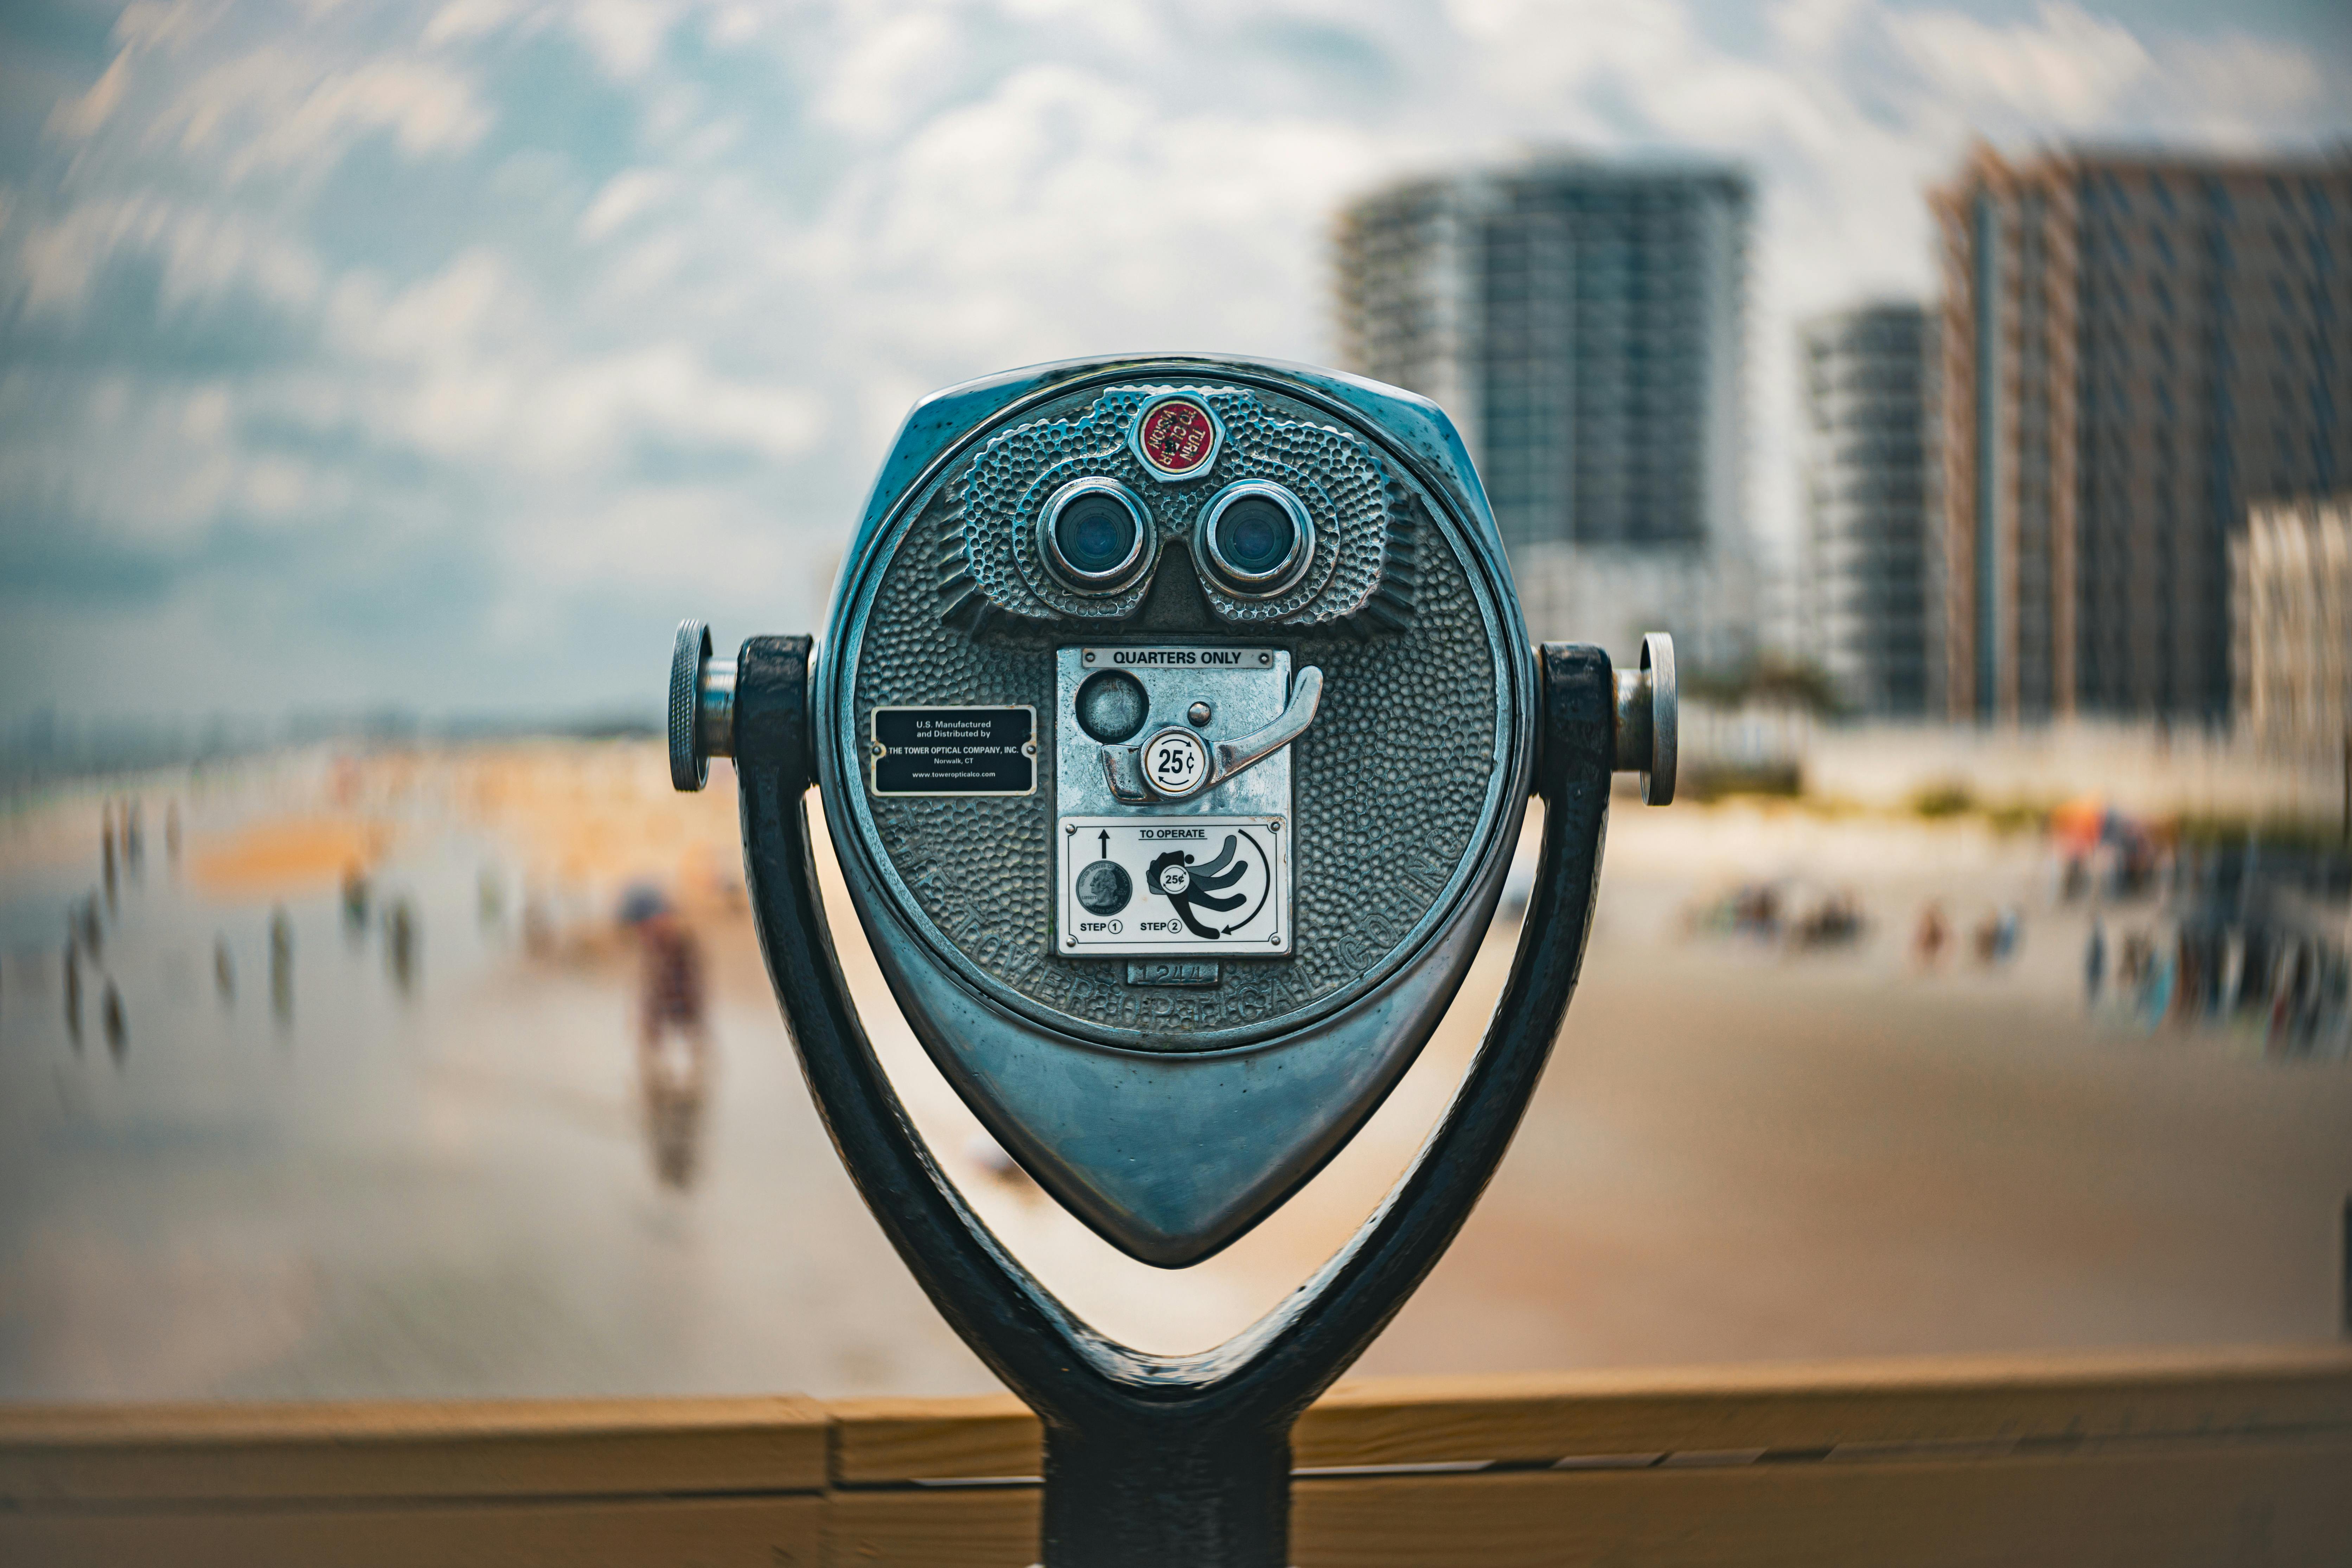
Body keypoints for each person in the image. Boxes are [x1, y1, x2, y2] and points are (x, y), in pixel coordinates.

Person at [620, 885, 711, 1190]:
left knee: (683, 1106)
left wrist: (674, 1032)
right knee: (658, 1106)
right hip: (665, 1040)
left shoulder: (680, 944)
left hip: (681, 1038)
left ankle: (680, 1169)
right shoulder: (656, 946)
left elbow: (687, 997)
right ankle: (668, 1170)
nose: (641, 932)